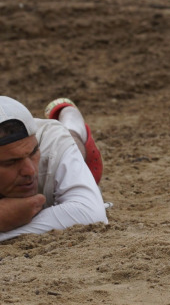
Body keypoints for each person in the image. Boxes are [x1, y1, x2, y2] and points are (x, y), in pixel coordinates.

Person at [0, 96, 108, 242]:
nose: (30, 171)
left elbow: (91, 214)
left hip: (51, 139)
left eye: (33, 153)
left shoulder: (49, 142)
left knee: (66, 141)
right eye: (11, 162)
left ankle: (72, 123)